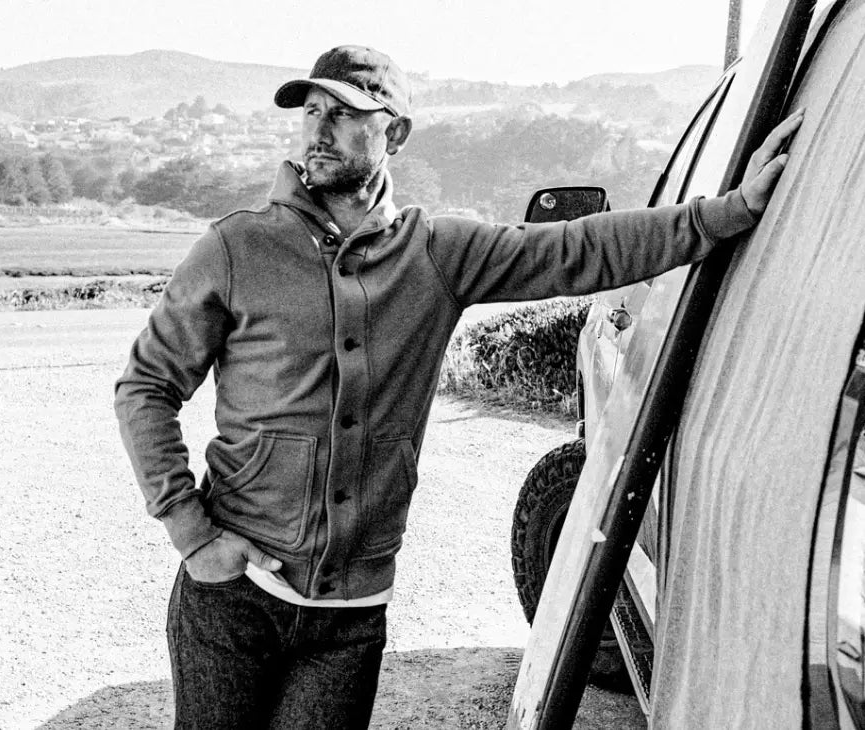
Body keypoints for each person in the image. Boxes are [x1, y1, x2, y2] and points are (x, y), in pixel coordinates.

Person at [114, 45, 802, 729]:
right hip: (235, 599)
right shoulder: (237, 248)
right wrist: (192, 533)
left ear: (396, 133)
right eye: (312, 111)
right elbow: (145, 385)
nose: (319, 130)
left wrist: (727, 212)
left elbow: (576, 249)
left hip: (350, 614)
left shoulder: (438, 253)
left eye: (346, 115)